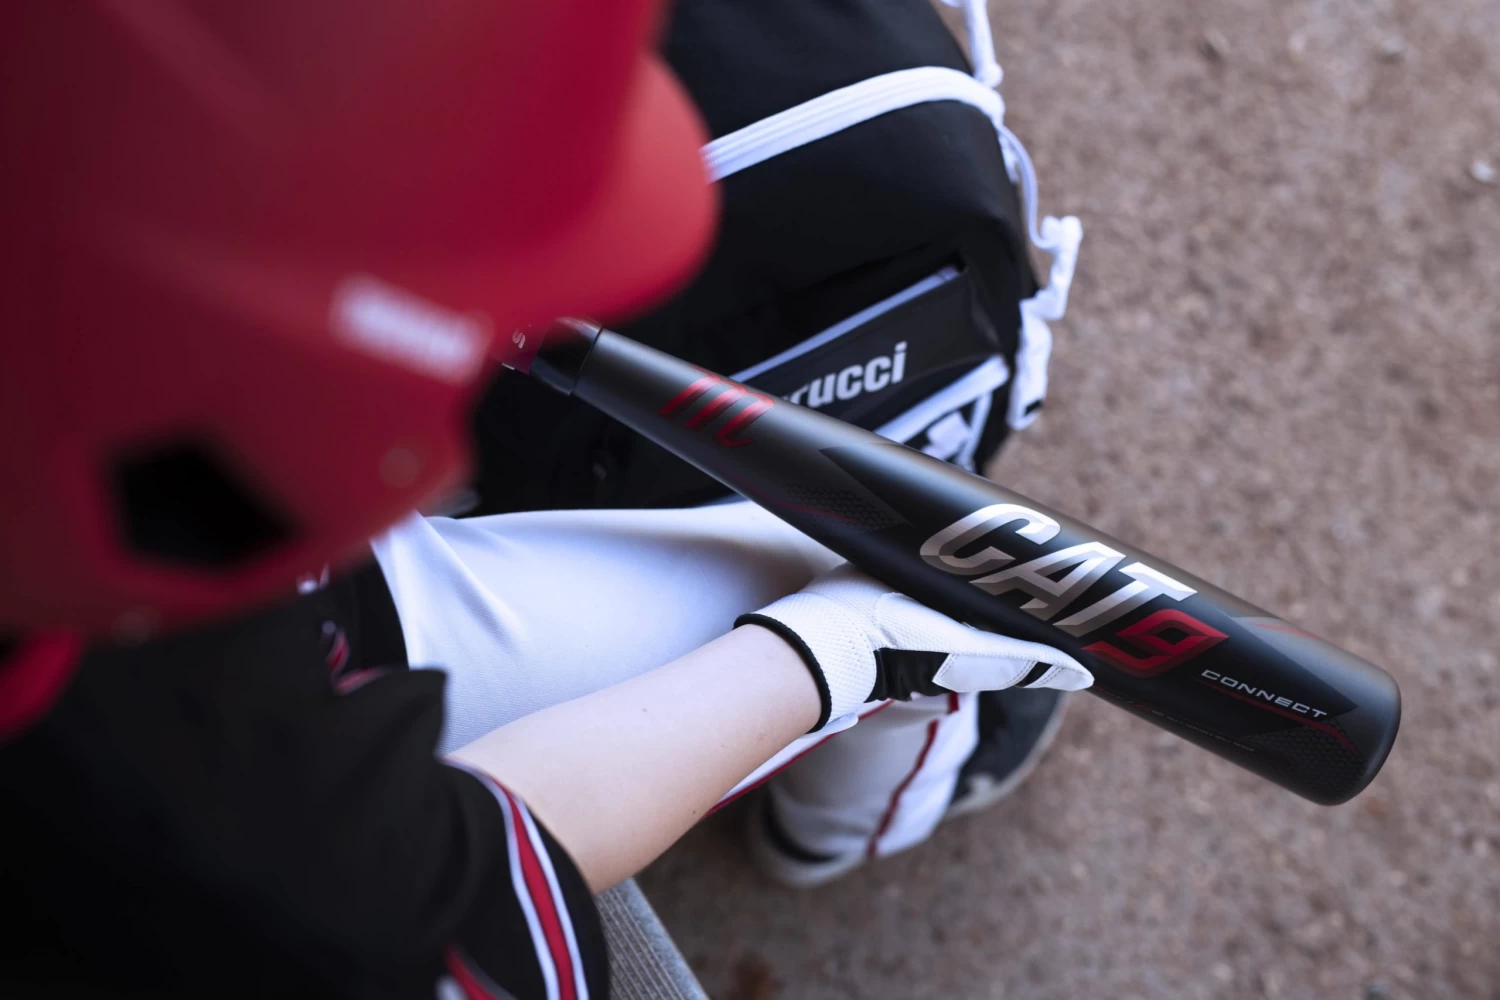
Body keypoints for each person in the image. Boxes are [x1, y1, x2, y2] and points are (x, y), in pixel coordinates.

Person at [0, 2, 1089, 997]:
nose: (433, 458)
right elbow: (442, 885)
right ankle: (842, 820)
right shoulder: (223, 849)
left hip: (170, 648)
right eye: (432, 375)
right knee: (897, 576)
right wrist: (829, 658)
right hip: (234, 852)